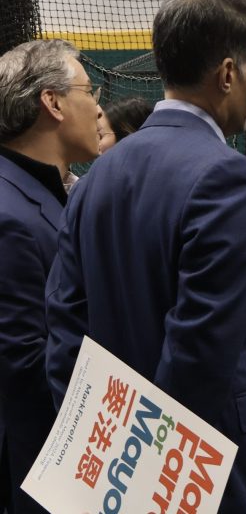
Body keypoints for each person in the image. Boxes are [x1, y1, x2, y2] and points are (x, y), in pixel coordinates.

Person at [45, 0, 246, 513]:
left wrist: (112, 458)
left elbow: (64, 330)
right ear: (229, 73)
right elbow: (200, 353)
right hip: (209, 474)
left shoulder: (96, 180)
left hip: (111, 471)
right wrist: (151, 470)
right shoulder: (231, 178)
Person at [0, 39, 101, 513]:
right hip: (41, 472)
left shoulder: (49, 193)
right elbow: (24, 370)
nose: (98, 108)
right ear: (52, 102)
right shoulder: (10, 215)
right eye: (88, 92)